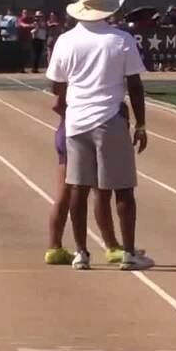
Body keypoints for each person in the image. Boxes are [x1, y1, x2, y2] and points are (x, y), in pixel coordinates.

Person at [46, 0, 154, 272]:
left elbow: (56, 85)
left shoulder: (65, 41)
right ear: (109, 10)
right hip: (109, 119)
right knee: (122, 189)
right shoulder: (121, 40)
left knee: (78, 188)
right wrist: (141, 124)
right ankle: (128, 253)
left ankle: (81, 252)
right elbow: (135, 85)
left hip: (76, 121)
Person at [45, 102, 126, 266]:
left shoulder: (75, 81)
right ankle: (111, 246)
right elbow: (57, 104)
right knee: (100, 191)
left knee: (66, 193)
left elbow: (57, 103)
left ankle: (54, 248)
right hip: (83, 131)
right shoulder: (92, 83)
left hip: (70, 129)